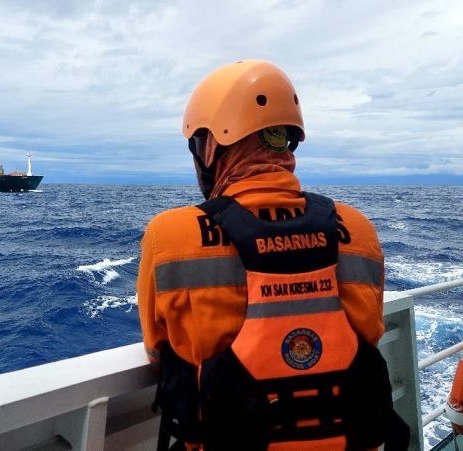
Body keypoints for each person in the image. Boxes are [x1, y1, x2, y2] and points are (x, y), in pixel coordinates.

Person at [136, 60, 408, 450]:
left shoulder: (170, 235)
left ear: (211, 145)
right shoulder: (358, 228)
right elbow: (370, 331)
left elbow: (156, 352)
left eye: (197, 143)